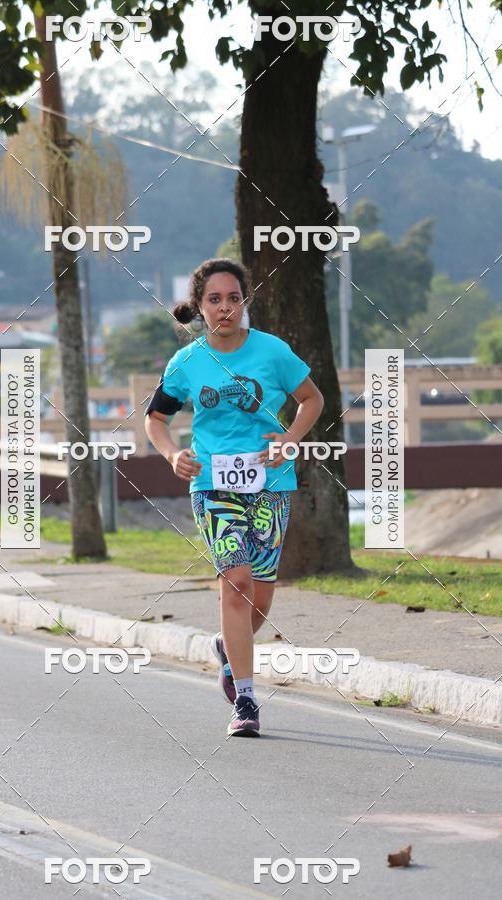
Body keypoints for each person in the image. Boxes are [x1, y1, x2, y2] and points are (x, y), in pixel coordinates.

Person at [144, 258, 324, 737]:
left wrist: (290, 439)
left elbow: (313, 399)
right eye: (214, 299)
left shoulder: (272, 351)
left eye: (233, 298)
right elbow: (155, 419)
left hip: (271, 484)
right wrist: (170, 455)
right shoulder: (187, 362)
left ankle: (229, 646)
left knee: (261, 594)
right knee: (237, 581)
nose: (225, 307)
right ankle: (245, 700)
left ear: (245, 302)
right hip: (213, 484)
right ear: (200, 307)